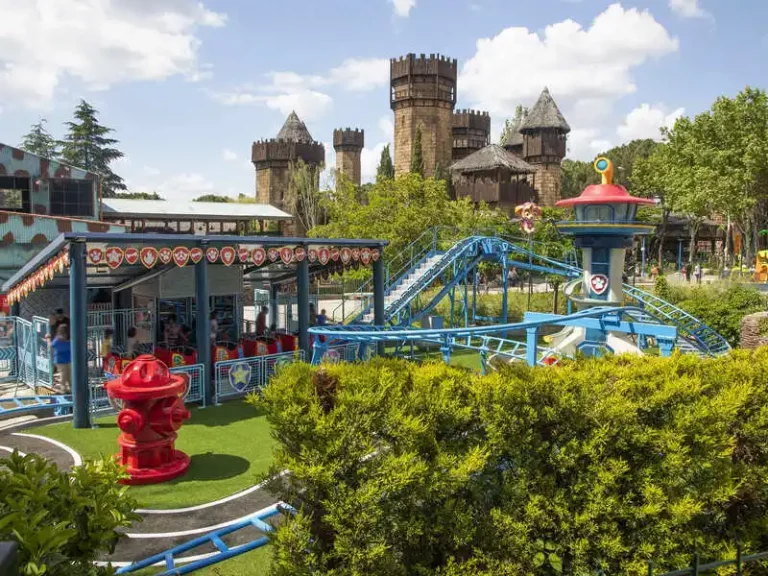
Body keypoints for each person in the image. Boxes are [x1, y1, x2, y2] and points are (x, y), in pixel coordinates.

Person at [49, 324, 71, 393]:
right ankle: (66, 389)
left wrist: (48, 339)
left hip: (62, 360)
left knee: (66, 375)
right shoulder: (64, 339)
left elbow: (52, 345)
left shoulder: (58, 339)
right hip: (64, 360)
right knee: (66, 375)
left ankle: (66, 389)